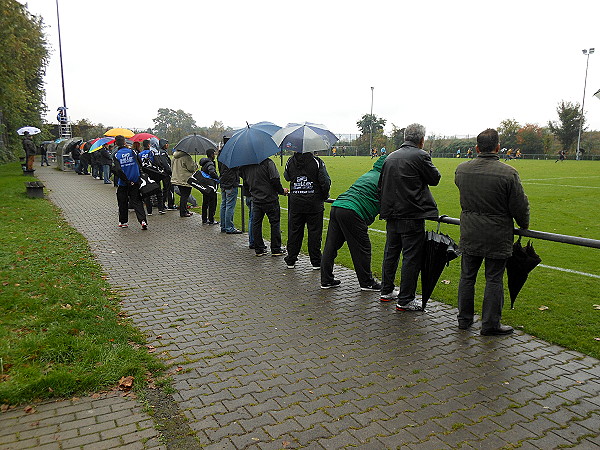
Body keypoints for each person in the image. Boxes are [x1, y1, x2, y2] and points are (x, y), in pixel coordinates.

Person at [455, 128, 530, 336]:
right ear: (498, 147)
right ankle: (490, 324)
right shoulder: (508, 173)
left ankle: (464, 319)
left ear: (477, 148)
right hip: (497, 234)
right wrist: (524, 225)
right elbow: (520, 206)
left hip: (470, 231)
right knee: (494, 279)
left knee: (467, 276)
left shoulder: (462, 169)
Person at [378, 123, 441, 310]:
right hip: (411, 214)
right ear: (422, 139)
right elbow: (435, 178)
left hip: (392, 212)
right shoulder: (420, 155)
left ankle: (386, 291)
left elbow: (380, 186)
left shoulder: (390, 157)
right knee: (411, 257)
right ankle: (405, 300)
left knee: (391, 253)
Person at [321, 155, 387, 290]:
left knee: (331, 246)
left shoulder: (369, 174)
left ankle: (326, 279)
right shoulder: (385, 179)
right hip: (353, 211)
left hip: (338, 206)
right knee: (363, 247)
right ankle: (367, 282)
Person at [283, 151, 331, 270]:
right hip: (314, 203)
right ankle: (315, 261)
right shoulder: (317, 162)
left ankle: (291, 259)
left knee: (294, 232)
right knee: (314, 233)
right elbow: (325, 181)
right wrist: (324, 196)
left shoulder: (290, 161)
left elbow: (287, 176)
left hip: (296, 203)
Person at [240, 157, 288, 256]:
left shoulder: (246, 165)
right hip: (270, 199)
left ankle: (259, 249)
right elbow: (275, 179)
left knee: (256, 224)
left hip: (256, 199)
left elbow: (244, 179)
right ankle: (275, 249)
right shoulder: (268, 163)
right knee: (274, 223)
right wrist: (281, 191)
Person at [112, 135, 148, 230]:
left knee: (122, 202)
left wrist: (126, 181)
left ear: (116, 143)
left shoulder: (116, 155)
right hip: (135, 181)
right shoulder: (133, 152)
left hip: (124, 183)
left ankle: (123, 222)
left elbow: (118, 170)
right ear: (125, 142)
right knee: (137, 201)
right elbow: (140, 163)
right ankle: (143, 221)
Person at [218, 138, 242, 234]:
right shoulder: (232, 153)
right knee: (229, 206)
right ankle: (229, 227)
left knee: (224, 204)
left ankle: (223, 226)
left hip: (223, 181)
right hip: (230, 182)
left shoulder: (221, 153)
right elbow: (236, 167)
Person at [139, 139, 165, 216]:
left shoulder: (140, 154)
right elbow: (157, 162)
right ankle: (161, 209)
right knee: (158, 191)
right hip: (154, 174)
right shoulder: (152, 152)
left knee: (147, 192)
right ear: (149, 145)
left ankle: (149, 211)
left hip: (145, 175)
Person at [171, 146, 198, 217]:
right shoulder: (186, 157)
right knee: (185, 196)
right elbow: (191, 168)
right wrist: (196, 165)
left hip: (177, 178)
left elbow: (172, 167)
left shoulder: (174, 157)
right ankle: (183, 212)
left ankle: (185, 210)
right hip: (185, 179)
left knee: (183, 195)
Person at [199, 149, 219, 224]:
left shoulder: (204, 163)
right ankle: (211, 219)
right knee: (212, 202)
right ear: (211, 155)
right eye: (214, 154)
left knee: (205, 202)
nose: (215, 155)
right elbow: (212, 172)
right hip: (210, 185)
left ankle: (204, 219)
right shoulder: (210, 163)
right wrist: (217, 178)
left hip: (205, 185)